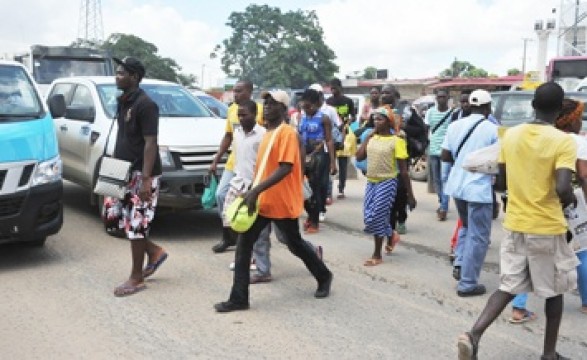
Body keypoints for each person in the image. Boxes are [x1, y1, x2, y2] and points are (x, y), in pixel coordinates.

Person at [457, 82, 578, 360]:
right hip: (546, 226)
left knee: (508, 285)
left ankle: (473, 335)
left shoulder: (510, 135)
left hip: (515, 224)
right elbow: (562, 187)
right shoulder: (562, 141)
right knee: (555, 291)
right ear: (559, 110)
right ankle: (549, 354)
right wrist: (570, 199)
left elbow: (500, 180)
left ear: (533, 105)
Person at [214, 90, 333, 313]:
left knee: (294, 243)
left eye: (273, 103)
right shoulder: (268, 134)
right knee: (244, 244)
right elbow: (262, 170)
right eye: (265, 102)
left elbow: (286, 167)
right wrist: (251, 191)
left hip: (281, 200)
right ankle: (239, 298)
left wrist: (255, 190)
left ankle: (324, 275)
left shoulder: (286, 133)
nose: (267, 106)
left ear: (284, 109)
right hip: (263, 201)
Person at [102, 57, 167, 297]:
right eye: (117, 72)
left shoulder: (146, 104)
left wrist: (146, 179)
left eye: (121, 73)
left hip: (142, 172)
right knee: (113, 220)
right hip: (121, 170)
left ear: (135, 77)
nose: (116, 77)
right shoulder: (123, 102)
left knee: (137, 225)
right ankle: (154, 252)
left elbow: (151, 142)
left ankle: (136, 278)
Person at [441, 89, 498, 297]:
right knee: (479, 235)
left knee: (466, 226)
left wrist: (464, 158)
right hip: (479, 189)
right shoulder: (492, 129)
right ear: (488, 107)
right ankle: (467, 283)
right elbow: (498, 161)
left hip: (457, 185)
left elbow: (445, 156)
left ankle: (460, 262)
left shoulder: (455, 126)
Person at [355, 107, 416, 266]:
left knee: (377, 217)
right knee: (368, 216)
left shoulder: (397, 141)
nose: (376, 122)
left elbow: (403, 171)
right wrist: (368, 137)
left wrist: (410, 194)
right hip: (371, 182)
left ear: (388, 122)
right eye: (374, 119)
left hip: (387, 182)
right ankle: (391, 234)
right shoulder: (372, 138)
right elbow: (359, 156)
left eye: (380, 119)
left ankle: (377, 255)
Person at [209, 80, 263, 253]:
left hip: (252, 166)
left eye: (239, 91)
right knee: (221, 194)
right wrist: (216, 159)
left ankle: (246, 239)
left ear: (249, 91)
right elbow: (228, 136)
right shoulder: (232, 110)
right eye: (234, 91)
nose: (235, 94)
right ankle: (228, 236)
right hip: (234, 162)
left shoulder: (260, 110)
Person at [299, 88, 337, 233]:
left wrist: (333, 162)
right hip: (304, 156)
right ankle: (310, 215)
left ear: (316, 104)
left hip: (319, 157)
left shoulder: (324, 118)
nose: (307, 109)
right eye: (304, 106)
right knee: (303, 188)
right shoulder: (302, 118)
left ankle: (314, 221)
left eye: (309, 106)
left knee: (315, 189)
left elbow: (329, 140)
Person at [308, 83, 340, 220]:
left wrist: (333, 161)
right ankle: (314, 208)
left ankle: (321, 208)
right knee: (311, 182)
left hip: (325, 152)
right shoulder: (306, 110)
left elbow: (338, 126)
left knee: (322, 182)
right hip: (309, 153)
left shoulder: (330, 111)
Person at [425, 89, 453, 221]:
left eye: (443, 96)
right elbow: (427, 129)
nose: (441, 99)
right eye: (439, 97)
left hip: (446, 151)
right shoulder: (430, 112)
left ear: (448, 97)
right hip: (433, 150)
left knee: (444, 179)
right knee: (436, 180)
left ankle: (443, 208)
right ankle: (443, 201)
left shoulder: (453, 114)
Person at [326, 78, 355, 203]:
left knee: (343, 164)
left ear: (339, 87)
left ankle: (341, 189)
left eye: (334, 88)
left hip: (345, 135)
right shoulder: (328, 101)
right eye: (331, 88)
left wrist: (347, 122)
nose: (332, 90)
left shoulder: (348, 101)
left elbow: (353, 115)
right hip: (330, 135)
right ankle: (328, 190)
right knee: (329, 163)